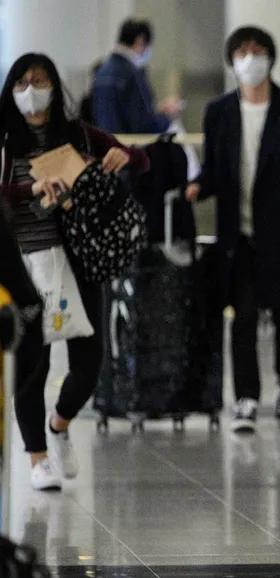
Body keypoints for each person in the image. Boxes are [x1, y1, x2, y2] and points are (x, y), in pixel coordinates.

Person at [0, 53, 149, 491]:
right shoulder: (6, 139)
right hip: (24, 262)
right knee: (33, 363)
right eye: (22, 82)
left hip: (78, 256)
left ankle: (60, 424)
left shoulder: (76, 133)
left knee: (90, 358)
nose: (31, 90)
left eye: (40, 80)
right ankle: (37, 458)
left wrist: (123, 157)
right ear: (11, 90)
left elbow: (137, 158)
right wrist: (31, 188)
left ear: (54, 85)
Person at [185, 26, 280, 433]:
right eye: (241, 51)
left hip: (279, 234)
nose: (249, 58)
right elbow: (214, 169)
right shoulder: (219, 112)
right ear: (231, 61)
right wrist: (197, 186)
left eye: (257, 50)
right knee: (242, 317)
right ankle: (245, 397)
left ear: (270, 57)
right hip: (238, 235)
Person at [91, 18, 184, 134]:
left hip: (106, 146)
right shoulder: (132, 74)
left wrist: (154, 111)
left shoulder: (102, 71)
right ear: (140, 41)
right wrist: (167, 116)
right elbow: (144, 126)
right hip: (127, 148)